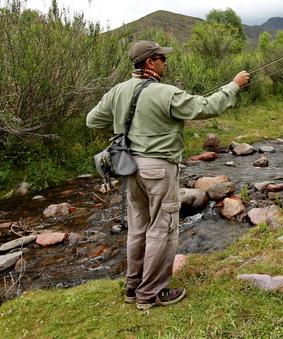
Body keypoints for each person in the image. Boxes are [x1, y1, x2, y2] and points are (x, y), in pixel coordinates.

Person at [86, 40, 250, 310]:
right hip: (158, 169)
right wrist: (234, 85)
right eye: (162, 58)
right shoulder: (165, 93)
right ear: (150, 62)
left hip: (128, 167)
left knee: (138, 227)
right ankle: (150, 294)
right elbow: (206, 107)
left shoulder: (117, 91)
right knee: (162, 229)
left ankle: (132, 286)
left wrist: (122, 125)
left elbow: (93, 120)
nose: (166, 62)